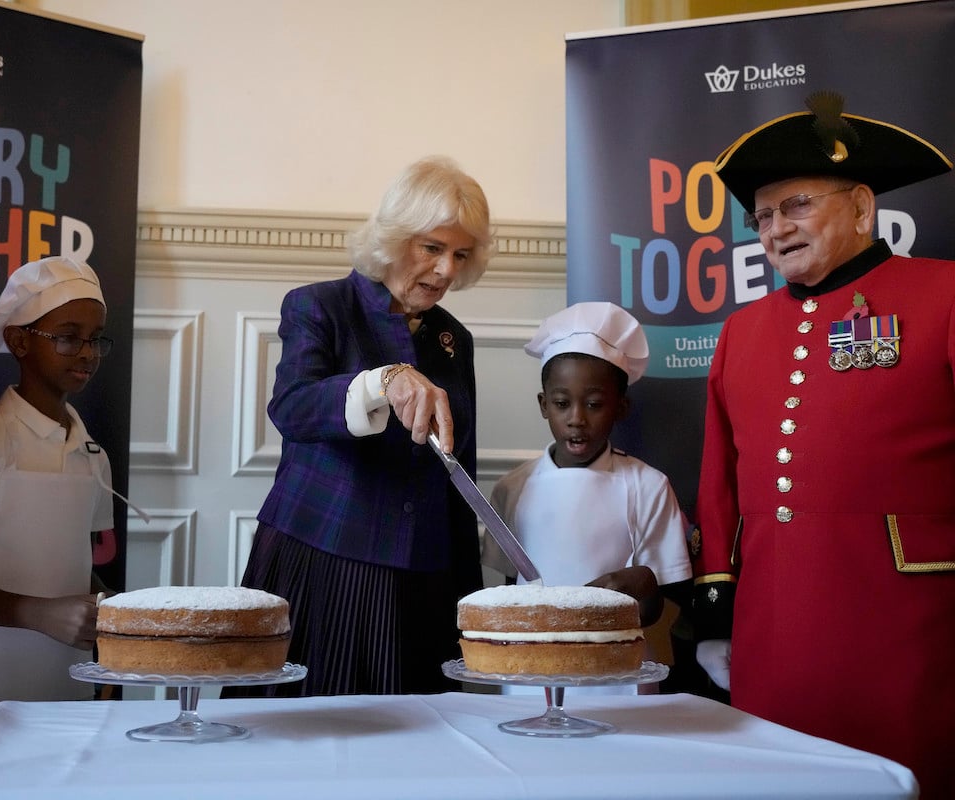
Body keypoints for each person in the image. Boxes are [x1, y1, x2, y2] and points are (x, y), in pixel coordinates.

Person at [693, 90, 955, 795]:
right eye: (764, 216)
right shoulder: (740, 332)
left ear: (863, 206)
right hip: (774, 625)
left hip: (912, 624)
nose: (777, 228)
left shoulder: (945, 295)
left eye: (797, 205)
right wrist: (718, 590)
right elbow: (719, 474)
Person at [234, 156, 491, 696]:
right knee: (310, 735)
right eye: (433, 248)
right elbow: (294, 407)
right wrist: (382, 381)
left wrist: (469, 601)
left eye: (460, 255)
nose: (447, 270)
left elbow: (456, 471)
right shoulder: (319, 306)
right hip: (324, 559)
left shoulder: (453, 340)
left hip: (423, 578)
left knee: (414, 748)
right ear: (395, 238)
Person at [0, 256, 138, 745]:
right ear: (18, 340)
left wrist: (111, 611)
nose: (87, 353)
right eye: (67, 335)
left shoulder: (90, 450)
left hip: (61, 672)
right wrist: (35, 613)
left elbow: (77, 559)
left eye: (96, 338)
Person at [484, 302, 692, 694]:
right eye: (562, 403)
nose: (577, 418)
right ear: (544, 405)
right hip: (529, 673)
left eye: (594, 404)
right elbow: (512, 590)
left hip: (620, 676)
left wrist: (644, 585)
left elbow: (665, 604)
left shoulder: (648, 486)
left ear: (621, 407)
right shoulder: (511, 489)